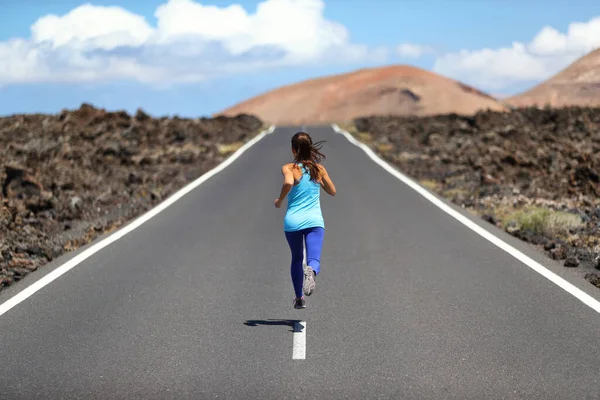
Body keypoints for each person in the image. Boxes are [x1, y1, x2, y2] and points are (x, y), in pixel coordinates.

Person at [274, 131, 336, 309]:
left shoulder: (289, 168)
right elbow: (333, 191)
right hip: (315, 221)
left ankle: (299, 297)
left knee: (296, 258)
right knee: (313, 259)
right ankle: (312, 271)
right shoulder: (319, 169)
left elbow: (287, 183)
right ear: (310, 148)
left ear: (293, 150)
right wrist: (319, 182)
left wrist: (279, 200)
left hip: (292, 221)